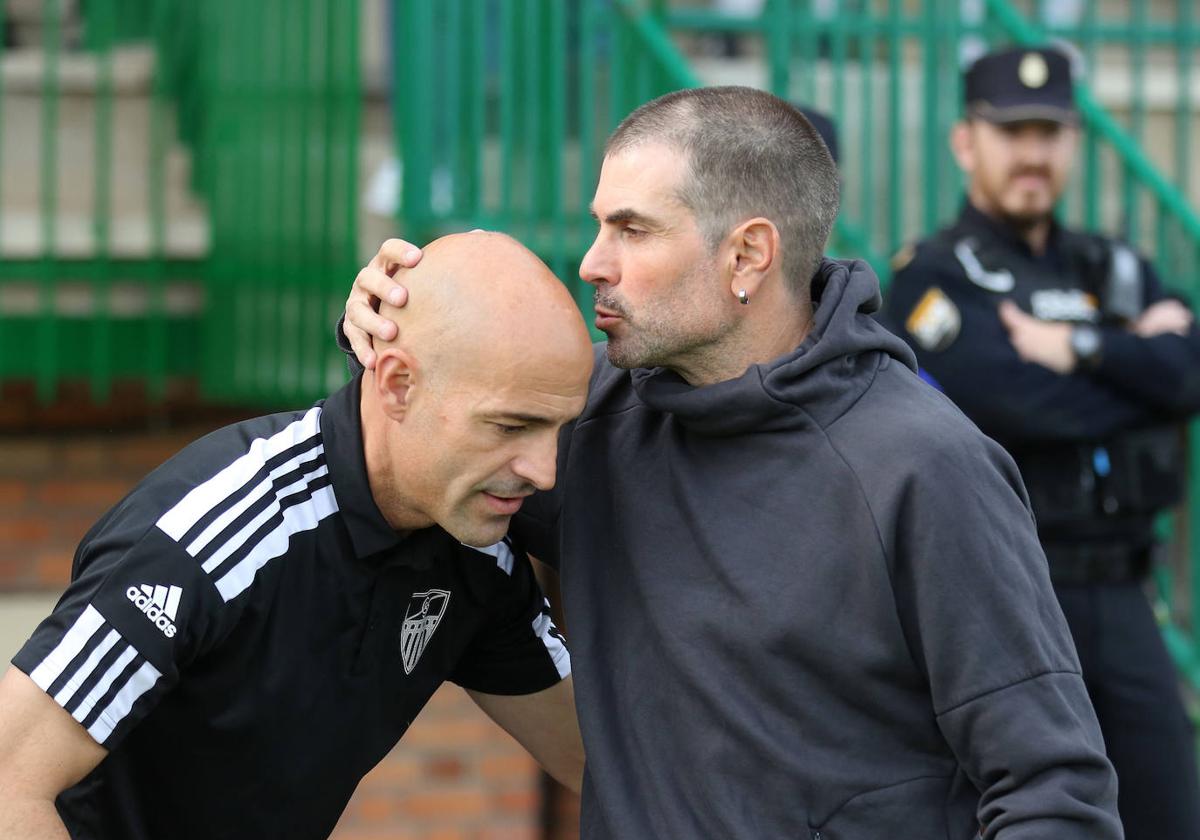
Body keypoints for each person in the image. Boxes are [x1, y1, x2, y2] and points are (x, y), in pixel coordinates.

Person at [343, 87, 1122, 839]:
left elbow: (1055, 792)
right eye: (598, 225)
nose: (591, 263)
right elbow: (417, 462)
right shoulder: (584, 420)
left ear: (747, 254)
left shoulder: (925, 467)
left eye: (632, 231)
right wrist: (379, 334)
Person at [0, 232, 593, 840]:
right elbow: (9, 781)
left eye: (557, 429)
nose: (544, 471)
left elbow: (601, 767)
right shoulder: (216, 528)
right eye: (511, 426)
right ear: (396, 384)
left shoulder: (476, 553)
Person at [882, 46, 1200, 840]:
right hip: (1012, 597)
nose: (1032, 154)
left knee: (1169, 812)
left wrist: (1080, 348)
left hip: (1124, 594)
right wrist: (1134, 365)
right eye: (1010, 131)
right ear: (966, 143)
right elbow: (1013, 405)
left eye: (1049, 133)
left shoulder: (1112, 265)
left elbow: (1189, 375)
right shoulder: (934, 277)